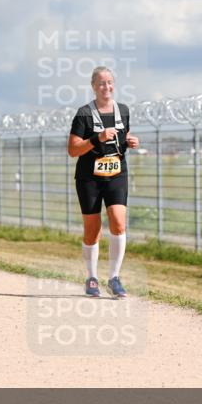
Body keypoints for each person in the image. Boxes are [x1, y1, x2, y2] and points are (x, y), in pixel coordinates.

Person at [67, 67, 139, 298]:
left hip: (117, 173)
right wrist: (96, 138)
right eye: (101, 83)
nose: (105, 87)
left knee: (119, 222)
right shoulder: (84, 114)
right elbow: (72, 150)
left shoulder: (124, 111)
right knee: (92, 229)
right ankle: (92, 277)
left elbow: (122, 140)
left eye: (109, 82)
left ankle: (115, 278)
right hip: (89, 178)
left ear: (114, 85)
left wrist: (129, 141)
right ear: (93, 86)